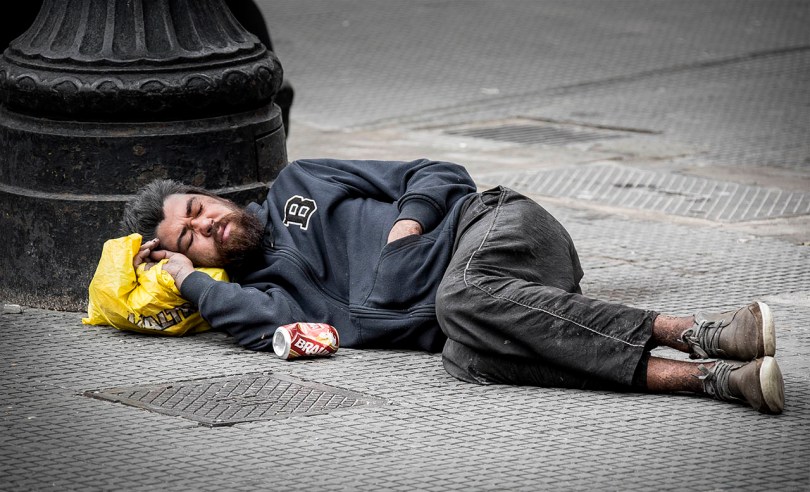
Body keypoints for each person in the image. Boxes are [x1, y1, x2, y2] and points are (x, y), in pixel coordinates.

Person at [121, 158, 785, 414]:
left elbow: (440, 172)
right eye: (190, 238)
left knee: (459, 298)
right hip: (503, 315)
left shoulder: (301, 184)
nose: (206, 222)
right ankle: (713, 380)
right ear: (201, 261)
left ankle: (699, 333)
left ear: (210, 194)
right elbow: (258, 329)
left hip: (500, 227)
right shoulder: (270, 300)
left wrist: (407, 226)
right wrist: (186, 284)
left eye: (198, 207)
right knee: (465, 360)